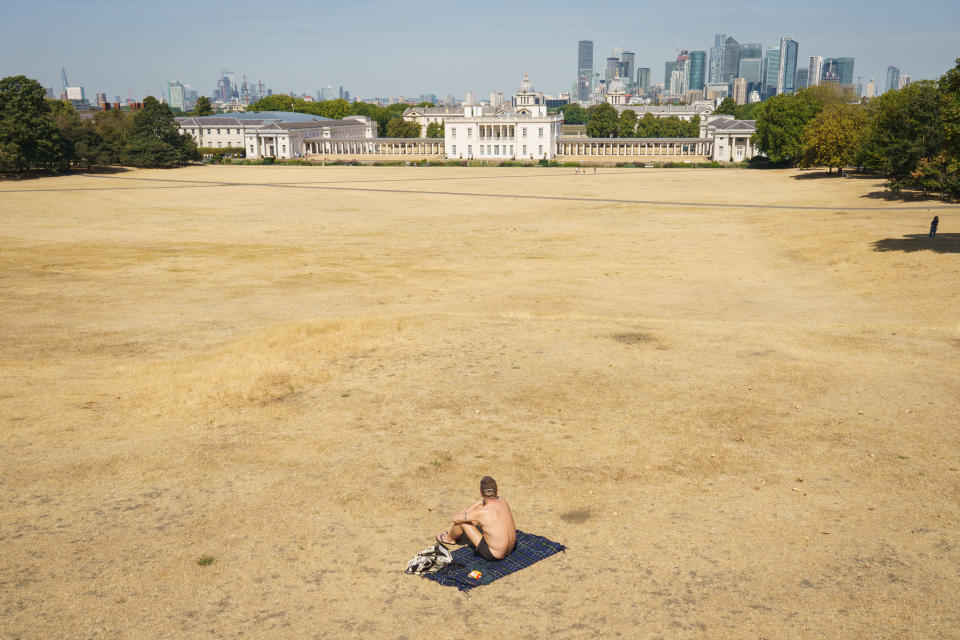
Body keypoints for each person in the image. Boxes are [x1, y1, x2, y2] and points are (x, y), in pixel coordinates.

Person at [437, 476, 516, 561]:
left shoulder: (482, 512)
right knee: (475, 518)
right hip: (511, 548)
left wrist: (474, 506)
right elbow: (485, 506)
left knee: (463, 523)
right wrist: (479, 504)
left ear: (481, 494)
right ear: (497, 492)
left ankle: (450, 538)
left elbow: (455, 518)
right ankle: (453, 535)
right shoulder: (502, 500)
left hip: (493, 554)